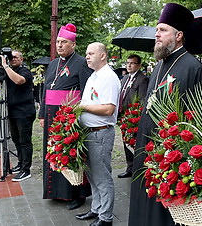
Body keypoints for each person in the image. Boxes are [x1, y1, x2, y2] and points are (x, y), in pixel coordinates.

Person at [128, 3, 202, 226]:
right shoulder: (158, 67)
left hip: (171, 159)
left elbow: (201, 122)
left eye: (163, 30)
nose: (157, 34)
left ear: (179, 35)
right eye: (157, 30)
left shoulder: (194, 68)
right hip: (146, 150)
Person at [38, 23, 93, 209]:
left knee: (69, 155)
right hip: (51, 116)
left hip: (70, 118)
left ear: (73, 45)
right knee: (53, 152)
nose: (59, 45)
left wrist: (79, 115)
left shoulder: (81, 63)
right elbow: (45, 91)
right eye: (58, 42)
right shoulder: (53, 64)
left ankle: (77, 195)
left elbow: (86, 92)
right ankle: (55, 192)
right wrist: (41, 114)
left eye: (63, 42)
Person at [75, 42, 120, 226]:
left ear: (102, 55)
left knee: (102, 176)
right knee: (93, 176)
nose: (87, 56)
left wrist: (82, 107)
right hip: (89, 133)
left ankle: (106, 217)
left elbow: (109, 109)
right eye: (86, 53)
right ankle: (97, 208)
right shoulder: (95, 76)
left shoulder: (108, 77)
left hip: (100, 134)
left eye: (91, 53)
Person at [0, 50, 36, 182]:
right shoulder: (7, 70)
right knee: (16, 140)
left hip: (24, 112)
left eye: (15, 57)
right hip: (12, 111)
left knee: (25, 141)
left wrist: (5, 65)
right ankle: (21, 164)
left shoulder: (24, 71)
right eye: (10, 57)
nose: (12, 59)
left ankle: (26, 170)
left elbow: (19, 81)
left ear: (21, 59)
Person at [117, 54, 149, 178]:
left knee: (134, 143)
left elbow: (142, 99)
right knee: (125, 142)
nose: (129, 65)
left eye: (132, 63)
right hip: (123, 116)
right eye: (127, 63)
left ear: (139, 65)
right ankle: (130, 168)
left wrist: (135, 114)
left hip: (134, 117)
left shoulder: (142, 79)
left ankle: (139, 168)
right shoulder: (125, 78)